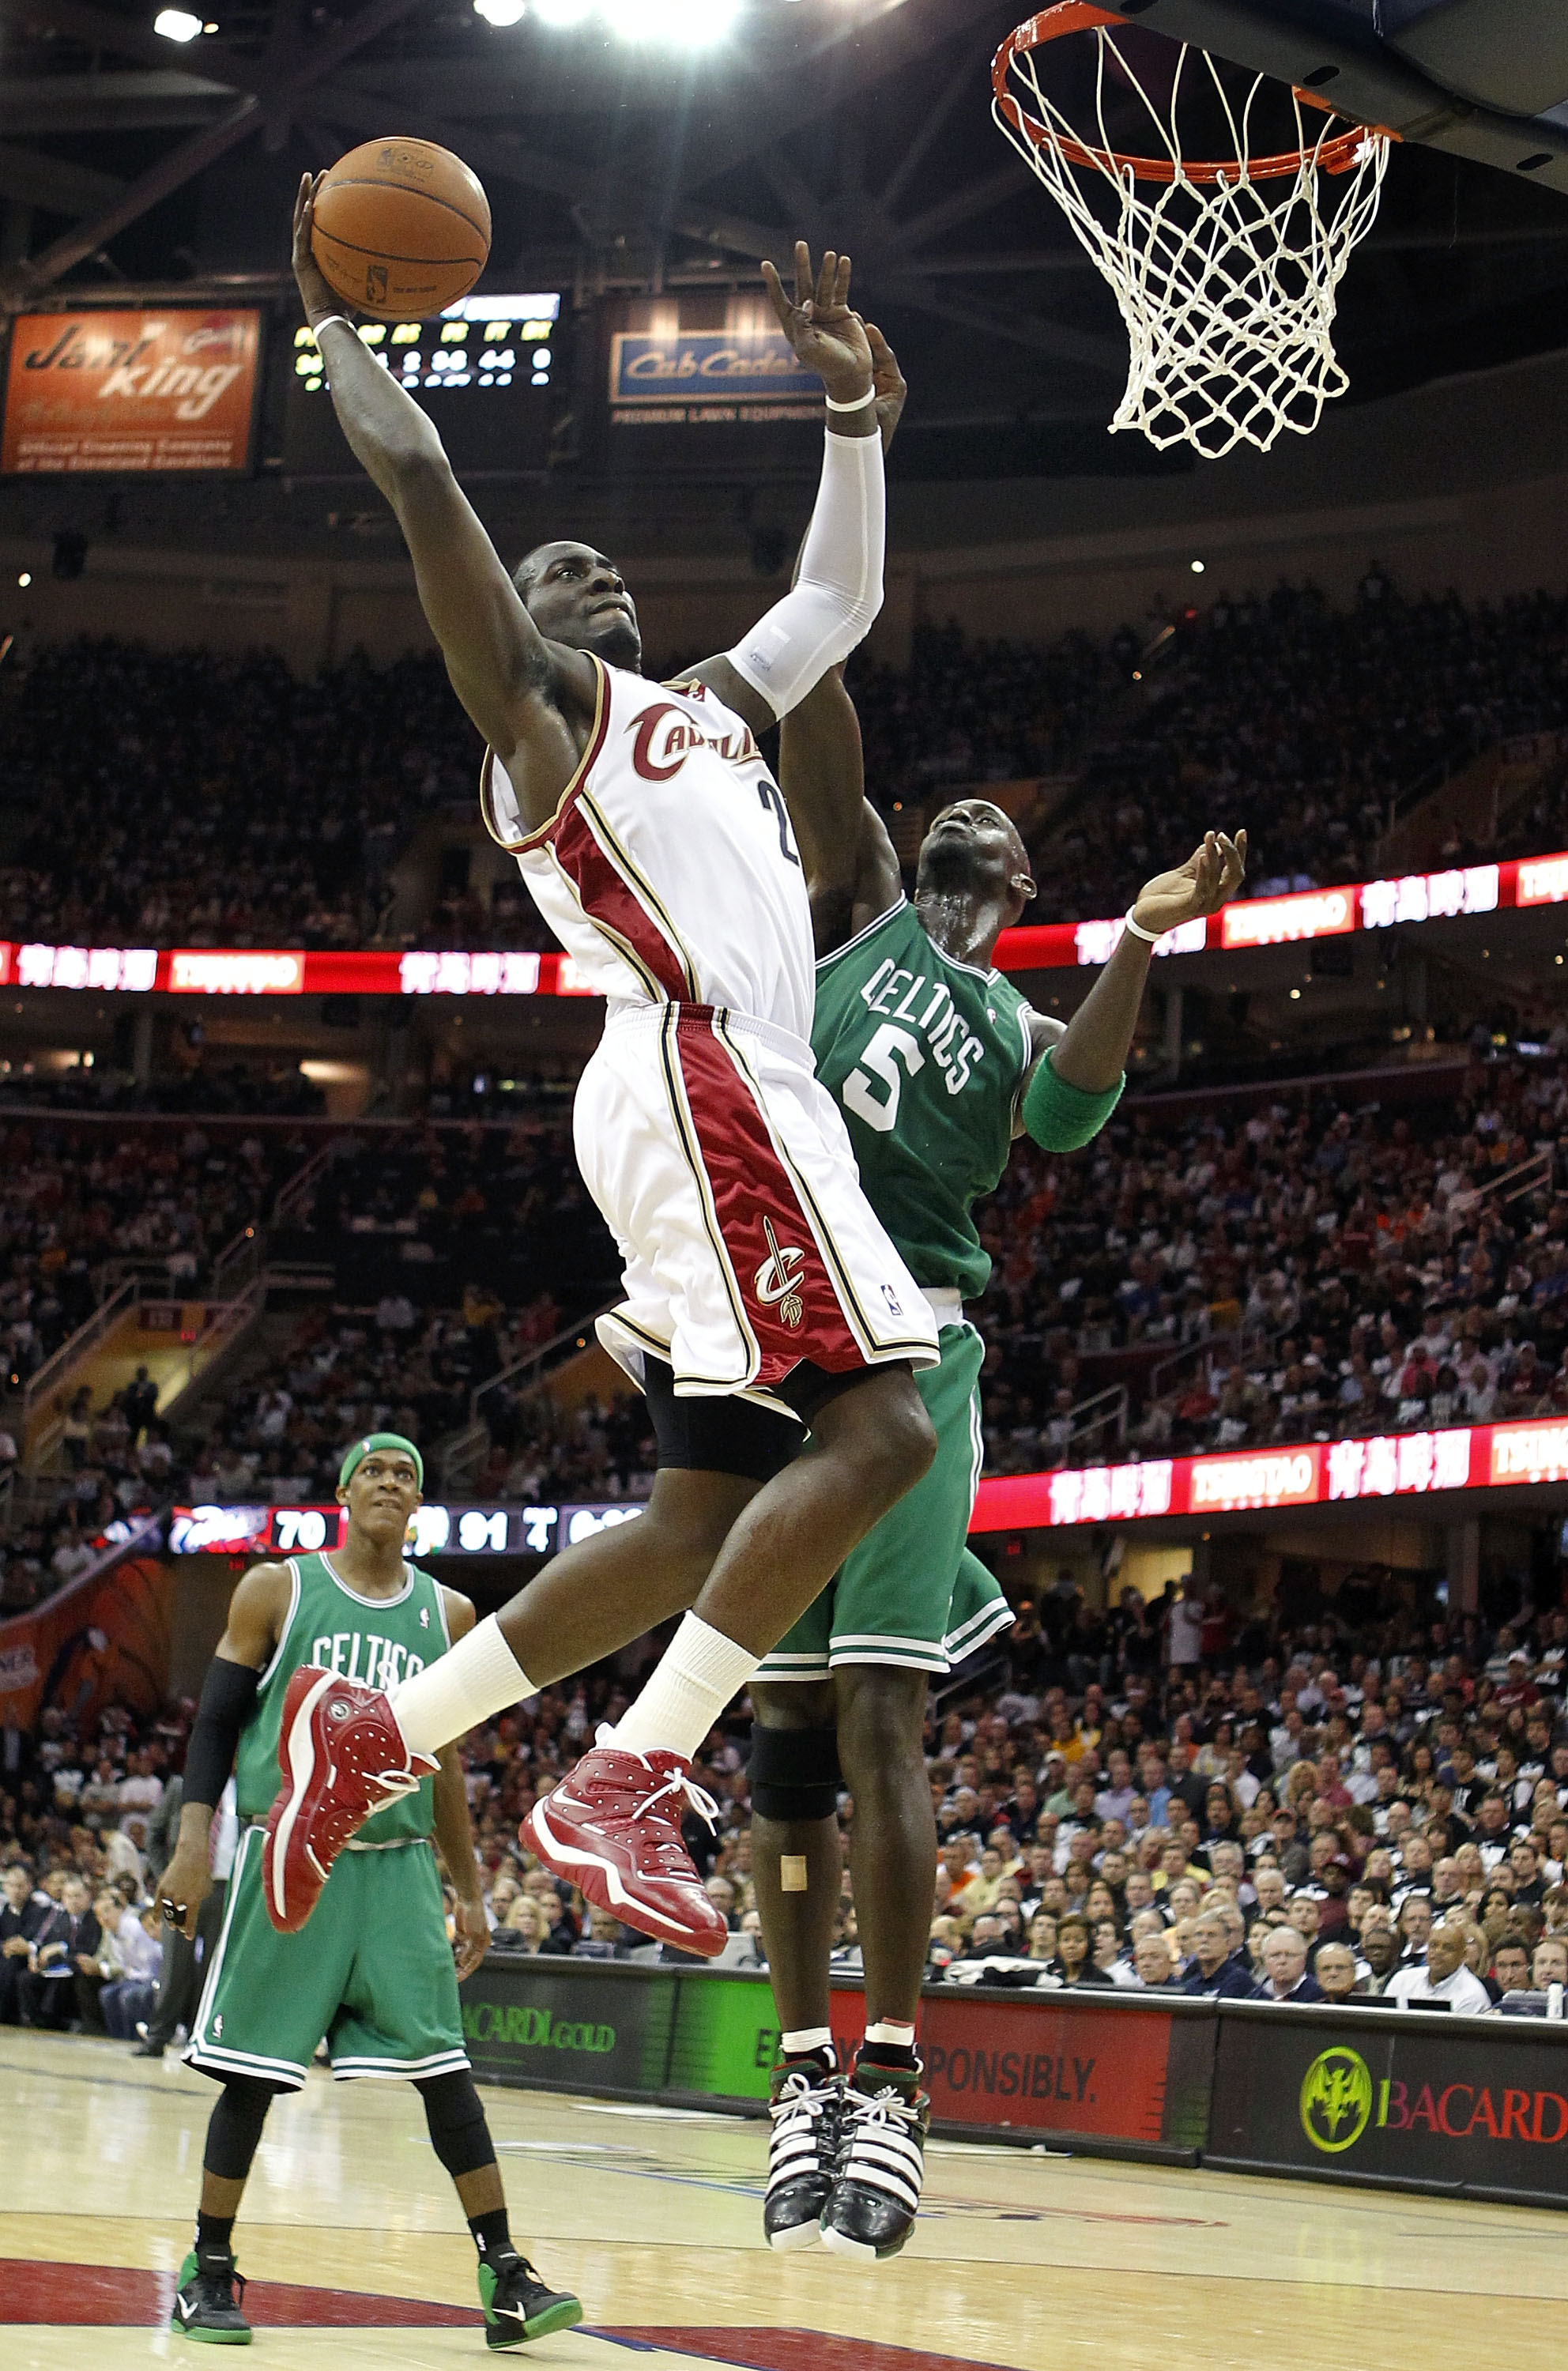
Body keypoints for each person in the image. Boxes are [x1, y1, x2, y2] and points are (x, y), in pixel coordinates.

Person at [261, 193, 946, 1961]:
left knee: (697, 1514)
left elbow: (838, 595)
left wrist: (850, 412)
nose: (594, 579)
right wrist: (330, 314)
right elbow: (425, 490)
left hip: (719, 1094)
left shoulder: (707, 706)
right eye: (560, 572)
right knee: (886, 1423)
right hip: (702, 1070)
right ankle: (627, 1776)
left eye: (602, 570)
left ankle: (380, 1739)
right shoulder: (546, 726)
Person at [744, 545, 1247, 2252]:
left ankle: (890, 2079)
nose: (967, 818)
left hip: (914, 1346)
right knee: (784, 1743)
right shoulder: (859, 904)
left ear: (1014, 880)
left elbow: (1075, 1104)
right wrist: (816, 557)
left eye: (998, 826)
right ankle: (798, 2073)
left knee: (878, 1719)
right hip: (786, 1343)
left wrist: (1137, 939)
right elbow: (822, 735)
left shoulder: (1018, 1008)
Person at [150, 1434, 580, 2347]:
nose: (391, 1483)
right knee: (252, 2075)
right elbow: (216, 1725)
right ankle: (209, 2267)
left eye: (408, 1475)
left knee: (444, 2069)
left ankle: (505, 2271)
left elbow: (450, 1760)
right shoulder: (278, 1588)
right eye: (375, 1471)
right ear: (344, 1491)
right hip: (288, 1853)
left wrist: (467, 1887)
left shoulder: (448, 1613)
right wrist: (196, 1841)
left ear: (418, 1505)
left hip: (396, 1866)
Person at [1382, 1917, 1491, 2015]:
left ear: (1463, 1955)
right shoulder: (1402, 1979)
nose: (1438, 1952)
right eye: (1434, 1945)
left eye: (1447, 1948)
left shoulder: (1473, 1995)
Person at [1180, 1909, 1257, 1998]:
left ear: (1227, 1943)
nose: (1204, 1940)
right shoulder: (1190, 1983)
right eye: (1199, 1935)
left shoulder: (1239, 1979)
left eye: (1212, 1935)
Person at [1253, 1926, 1325, 2003]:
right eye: (1275, 1955)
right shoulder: (1255, 1997)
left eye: (1290, 1955)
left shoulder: (1320, 1996)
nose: (1282, 1961)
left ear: (1304, 1958)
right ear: (1264, 1960)